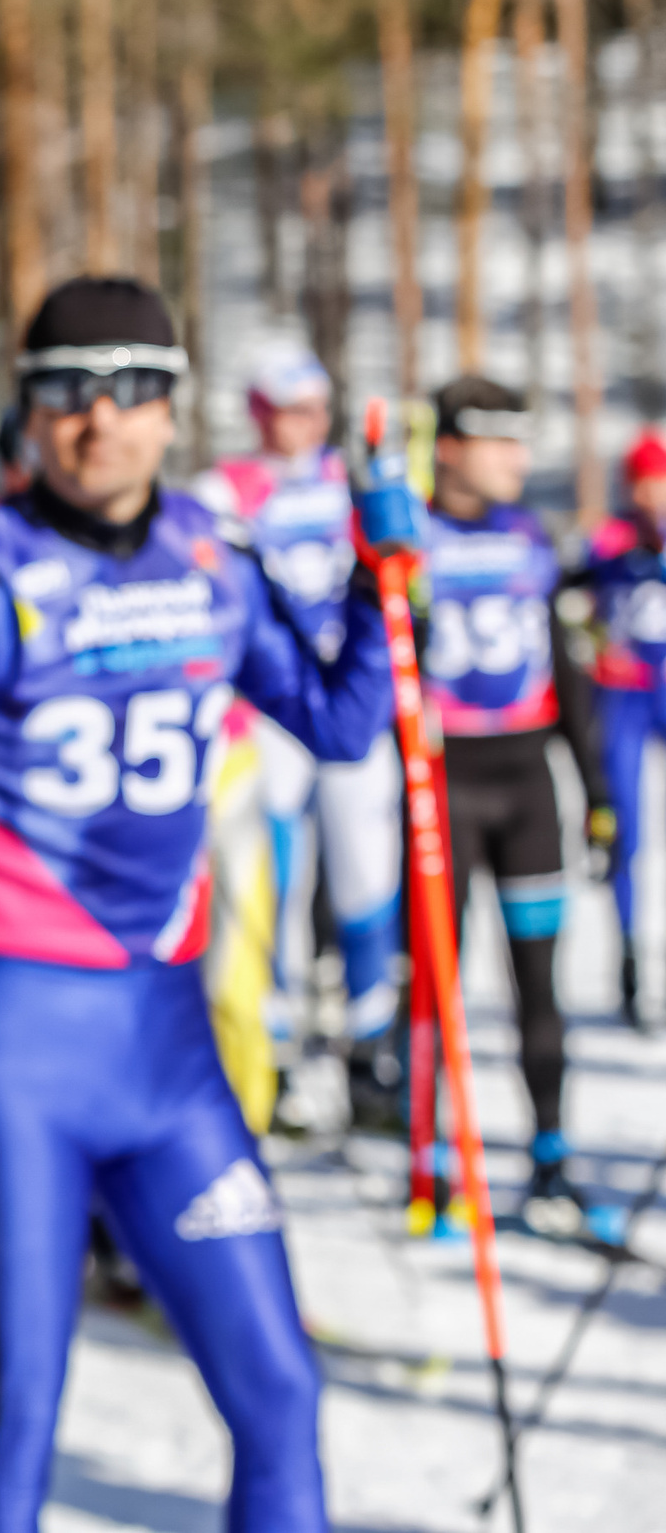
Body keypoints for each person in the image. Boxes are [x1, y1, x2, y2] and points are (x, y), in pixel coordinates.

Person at [0, 276, 408, 1531]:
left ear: (173, 408)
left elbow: (344, 724)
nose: (100, 422)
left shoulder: (212, 555)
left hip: (167, 1054)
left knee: (279, 1394)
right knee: (17, 1426)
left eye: (131, 391)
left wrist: (374, 573)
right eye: (68, 395)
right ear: (29, 414)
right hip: (12, 1058)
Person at [420, 376, 619, 1240]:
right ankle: (430, 1163)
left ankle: (549, 1154)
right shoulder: (408, 538)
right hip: (442, 785)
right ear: (451, 446)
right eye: (501, 442)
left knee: (541, 981)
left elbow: (569, 674)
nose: (520, 460)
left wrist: (598, 791)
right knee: (435, 980)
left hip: (527, 781)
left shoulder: (531, 536)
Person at [193, 344, 405, 1121]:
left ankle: (371, 1048)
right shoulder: (226, 487)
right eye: (286, 408)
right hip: (271, 711)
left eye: (314, 407)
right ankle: (273, 1050)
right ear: (258, 411)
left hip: (353, 697)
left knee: (365, 872)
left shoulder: (356, 481)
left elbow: (404, 572)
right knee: (275, 877)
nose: (302, 424)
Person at [578, 428, 666, 1032]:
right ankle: (630, 958)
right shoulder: (610, 538)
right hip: (625, 696)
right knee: (625, 832)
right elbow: (575, 602)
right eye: (643, 482)